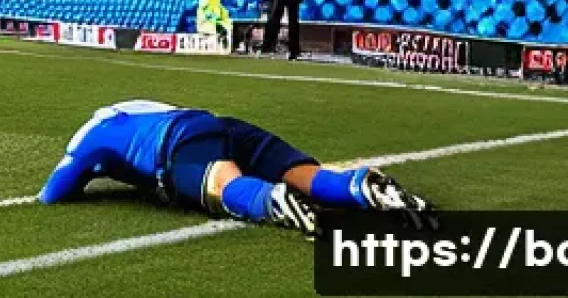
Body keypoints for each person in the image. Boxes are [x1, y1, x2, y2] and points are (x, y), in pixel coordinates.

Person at [39, 100, 433, 237]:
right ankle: (365, 188)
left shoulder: (88, 137)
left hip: (177, 142)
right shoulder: (135, 106)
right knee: (305, 174)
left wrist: (94, 170)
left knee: (223, 183)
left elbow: (52, 194)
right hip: (216, 123)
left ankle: (275, 203)